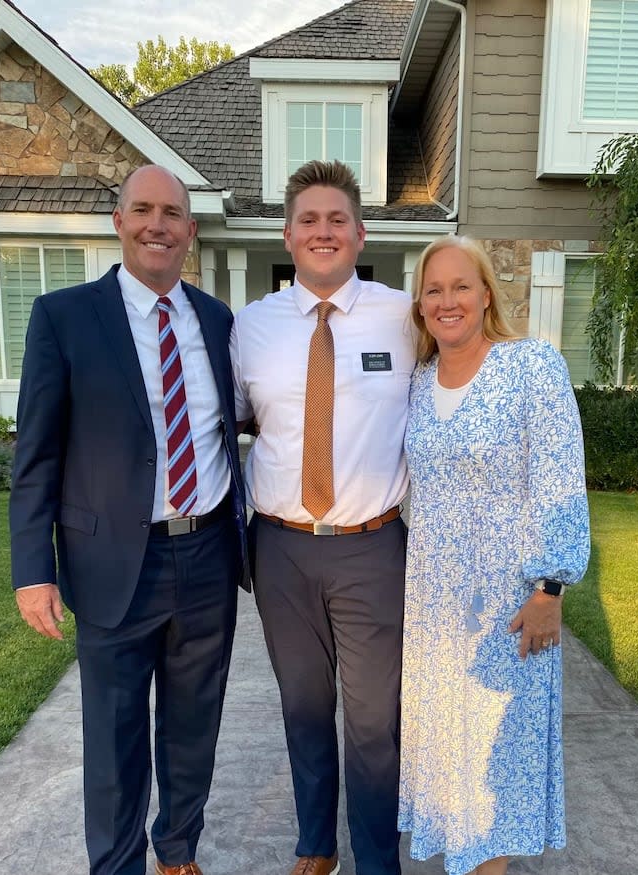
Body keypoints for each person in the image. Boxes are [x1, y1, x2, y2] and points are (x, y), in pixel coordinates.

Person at [9, 164, 248, 875]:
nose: (157, 224)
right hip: (113, 562)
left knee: (192, 725)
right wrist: (32, 572)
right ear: (118, 221)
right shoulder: (64, 318)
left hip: (206, 556)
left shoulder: (215, 320)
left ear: (190, 230)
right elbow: (36, 454)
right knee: (114, 737)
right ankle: (116, 865)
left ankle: (177, 851)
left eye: (171, 213)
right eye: (142, 209)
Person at [230, 159, 415, 875]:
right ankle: (316, 843)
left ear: (361, 233)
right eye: (309, 219)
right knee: (304, 707)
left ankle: (376, 859)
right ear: (287, 234)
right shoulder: (251, 326)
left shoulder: (404, 317)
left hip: (373, 549)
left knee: (373, 722)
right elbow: (235, 425)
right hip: (280, 548)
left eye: (337, 218)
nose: (323, 230)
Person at [397, 236, 590, 875]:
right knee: (451, 759)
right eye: (433, 289)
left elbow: (560, 480)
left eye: (460, 286)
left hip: (510, 608)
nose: (447, 300)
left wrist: (550, 589)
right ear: (421, 306)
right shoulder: (419, 384)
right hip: (434, 611)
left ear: (485, 295)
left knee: (492, 768)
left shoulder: (531, 366)